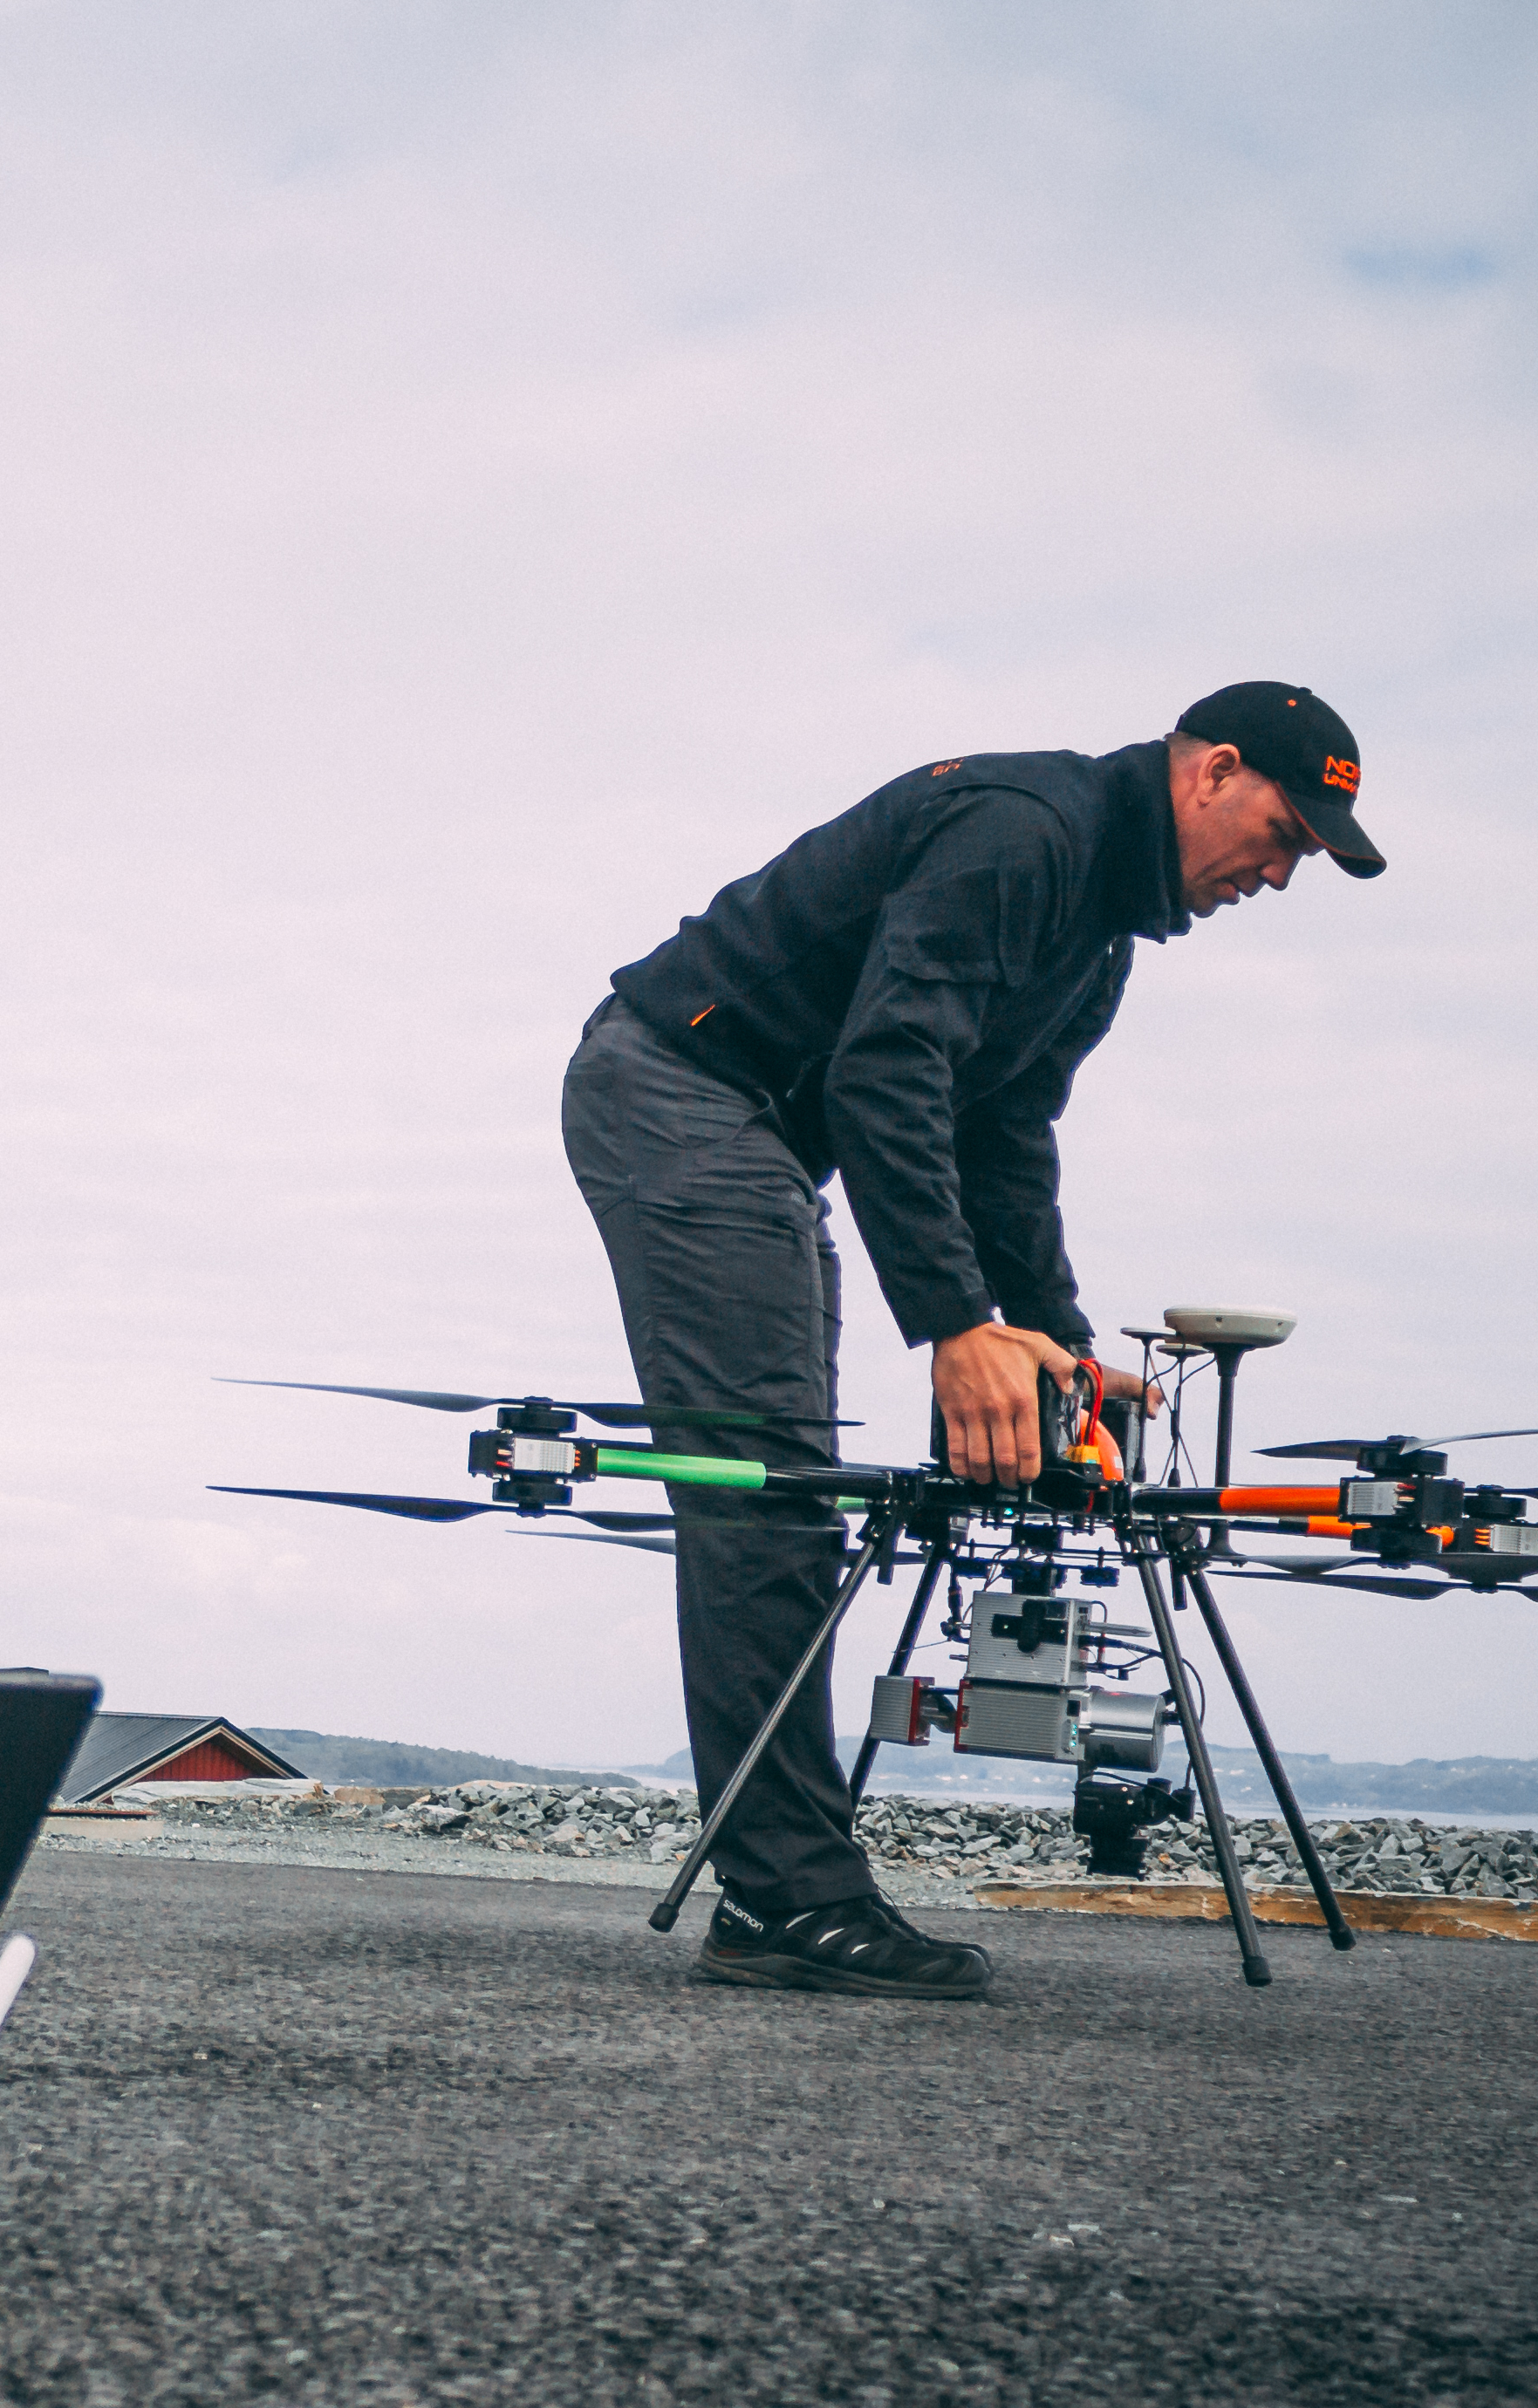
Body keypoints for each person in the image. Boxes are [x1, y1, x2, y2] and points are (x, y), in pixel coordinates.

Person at [563, 685, 1384, 1998]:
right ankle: (784, 1901)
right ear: (1215, 772)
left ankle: (778, 1887)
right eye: (1285, 834)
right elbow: (886, 1070)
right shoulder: (1024, 834)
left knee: (794, 1481)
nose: (1280, 876)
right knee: (770, 1492)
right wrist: (956, 1325)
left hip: (768, 1129)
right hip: (680, 1085)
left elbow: (1001, 1134)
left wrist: (1057, 1350)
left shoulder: (1097, 938)